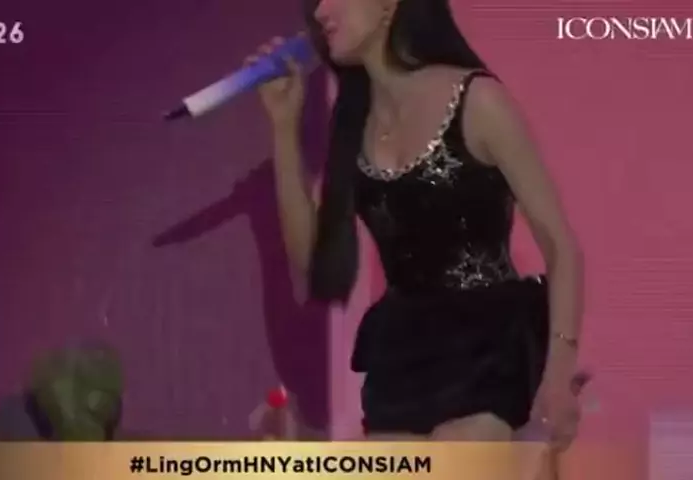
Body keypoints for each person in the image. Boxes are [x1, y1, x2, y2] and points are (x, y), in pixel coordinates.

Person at [246, 0, 584, 449]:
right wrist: (284, 127)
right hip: (403, 355)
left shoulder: (477, 100)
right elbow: (312, 262)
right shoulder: (351, 123)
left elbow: (561, 248)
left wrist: (557, 378)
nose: (321, 11)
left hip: (490, 347)